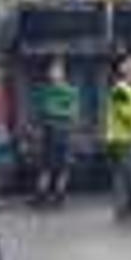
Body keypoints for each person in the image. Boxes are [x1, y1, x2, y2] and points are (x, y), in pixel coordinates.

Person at [29, 57, 79, 208]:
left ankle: (58, 195)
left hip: (60, 131)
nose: (53, 74)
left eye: (57, 71)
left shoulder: (67, 91)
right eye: (52, 71)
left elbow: (70, 111)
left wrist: (54, 111)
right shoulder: (48, 90)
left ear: (63, 74)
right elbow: (49, 109)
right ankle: (43, 194)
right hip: (52, 131)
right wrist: (60, 111)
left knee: (62, 166)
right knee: (47, 165)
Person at [104, 55, 131, 218]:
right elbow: (127, 115)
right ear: (125, 72)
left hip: (123, 140)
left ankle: (121, 209)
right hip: (126, 140)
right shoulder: (120, 91)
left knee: (121, 177)